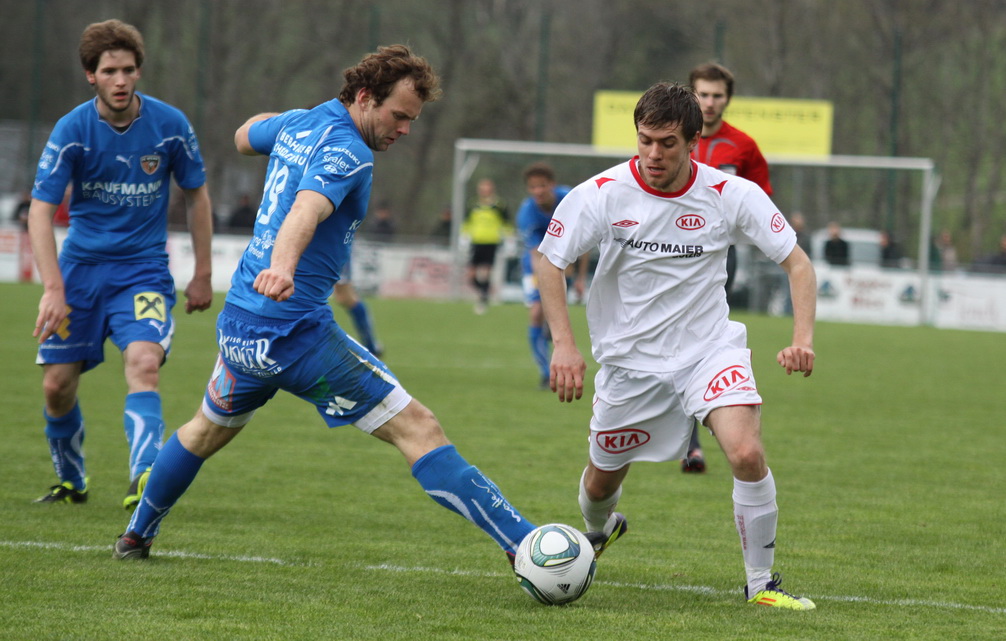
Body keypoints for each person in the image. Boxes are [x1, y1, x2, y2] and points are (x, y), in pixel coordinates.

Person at [112, 45, 581, 569]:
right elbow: (306, 209)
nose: (405, 129)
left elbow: (244, 135)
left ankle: (136, 535)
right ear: (364, 97)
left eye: (412, 119)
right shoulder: (349, 151)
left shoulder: (299, 123)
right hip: (293, 330)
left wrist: (292, 125)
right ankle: (529, 548)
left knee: (204, 430)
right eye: (398, 115)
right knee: (419, 429)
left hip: (241, 325)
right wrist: (284, 267)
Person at [537, 82, 818, 610]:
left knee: (746, 452)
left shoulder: (730, 194)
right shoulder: (603, 193)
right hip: (630, 364)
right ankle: (600, 530)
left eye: (667, 143)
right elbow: (549, 261)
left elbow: (797, 263)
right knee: (599, 486)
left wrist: (802, 339)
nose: (653, 154)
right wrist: (564, 346)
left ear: (693, 142)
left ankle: (761, 585)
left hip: (708, 351)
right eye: (645, 140)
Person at [28, 19, 214, 510]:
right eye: (109, 71)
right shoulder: (72, 130)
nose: (120, 80)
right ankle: (72, 481)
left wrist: (202, 273)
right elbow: (40, 212)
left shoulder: (170, 125)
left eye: (128, 70)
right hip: (79, 274)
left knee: (144, 363)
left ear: (138, 72)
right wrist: (53, 288)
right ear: (91, 75)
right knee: (57, 386)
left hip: (142, 272)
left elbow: (197, 195)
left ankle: (144, 476)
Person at [684, 62, 774, 474]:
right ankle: (689, 439)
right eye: (702, 94)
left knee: (704, 335)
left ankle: (703, 432)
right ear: (691, 94)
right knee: (674, 334)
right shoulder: (673, 138)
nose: (709, 102)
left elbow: (760, 200)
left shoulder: (743, 146)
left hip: (721, 254)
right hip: (670, 251)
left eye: (717, 95)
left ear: (728, 99)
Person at [515, 163, 585, 390]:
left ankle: (551, 331)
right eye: (533, 187)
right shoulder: (527, 213)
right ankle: (546, 373)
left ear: (552, 185)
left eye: (542, 186)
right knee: (537, 312)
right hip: (536, 266)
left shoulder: (570, 200)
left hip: (568, 263)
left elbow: (585, 242)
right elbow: (536, 255)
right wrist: (544, 287)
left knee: (553, 315)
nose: (538, 191)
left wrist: (580, 278)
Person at [463, 178, 510, 314]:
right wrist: (464, 237)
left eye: (487, 188)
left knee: (486, 272)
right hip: (476, 242)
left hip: (491, 242)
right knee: (471, 275)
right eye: (482, 188)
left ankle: (483, 300)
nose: (484, 191)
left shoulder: (499, 205)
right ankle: (484, 292)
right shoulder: (473, 204)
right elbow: (467, 222)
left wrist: (509, 239)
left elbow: (506, 223)